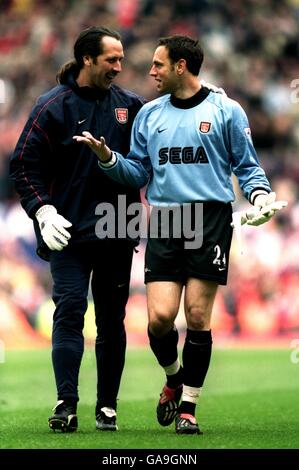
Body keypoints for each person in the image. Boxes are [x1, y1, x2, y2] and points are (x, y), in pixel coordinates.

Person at [73, 34, 287, 435]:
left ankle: (188, 407)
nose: (151, 71)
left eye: (158, 65)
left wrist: (260, 196)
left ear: (180, 67)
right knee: (158, 320)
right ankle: (173, 377)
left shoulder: (227, 110)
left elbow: (247, 165)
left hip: (210, 219)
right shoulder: (150, 116)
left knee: (198, 316)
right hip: (168, 220)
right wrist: (108, 159)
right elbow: (138, 172)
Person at [9, 26, 147, 433]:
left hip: (119, 227)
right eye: (112, 60)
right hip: (67, 230)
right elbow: (22, 164)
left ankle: (107, 407)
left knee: (111, 319)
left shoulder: (132, 106)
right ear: (88, 59)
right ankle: (65, 403)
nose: (119, 67)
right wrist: (42, 210)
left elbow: (156, 147)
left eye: (121, 59)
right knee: (69, 312)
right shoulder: (53, 106)